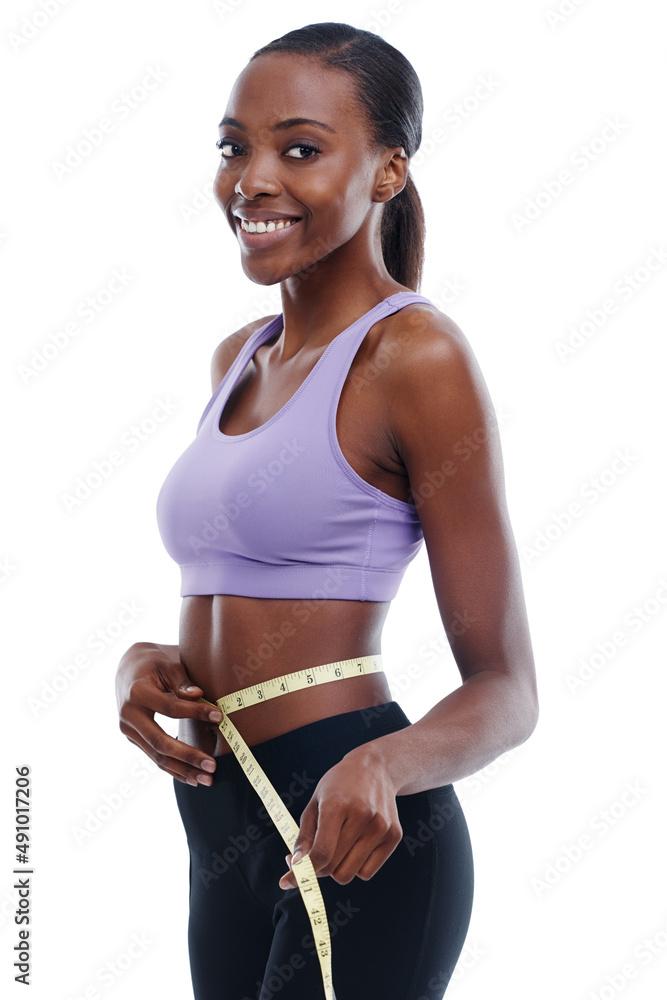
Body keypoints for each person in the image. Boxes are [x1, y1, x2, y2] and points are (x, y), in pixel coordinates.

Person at [115, 21, 538, 1000]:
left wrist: (383, 766)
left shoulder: (414, 358)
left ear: (387, 170)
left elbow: (506, 690)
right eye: (235, 147)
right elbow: (238, 589)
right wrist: (151, 663)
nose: (251, 179)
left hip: (356, 835)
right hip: (219, 827)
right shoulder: (239, 359)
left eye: (298, 149)